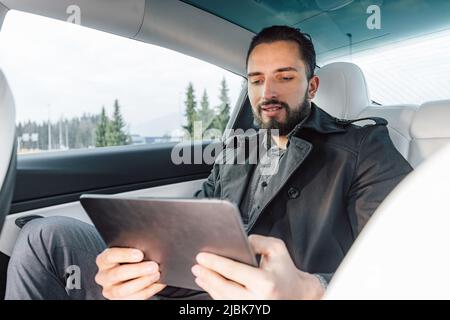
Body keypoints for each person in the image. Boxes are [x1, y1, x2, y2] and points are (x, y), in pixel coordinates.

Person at [5, 25, 412, 300]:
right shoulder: (238, 148)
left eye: (285, 77)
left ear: (313, 85)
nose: (267, 91)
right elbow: (195, 220)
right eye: (255, 79)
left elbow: (407, 259)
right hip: (187, 287)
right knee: (45, 237)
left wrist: (308, 289)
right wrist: (135, 265)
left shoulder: (362, 147)